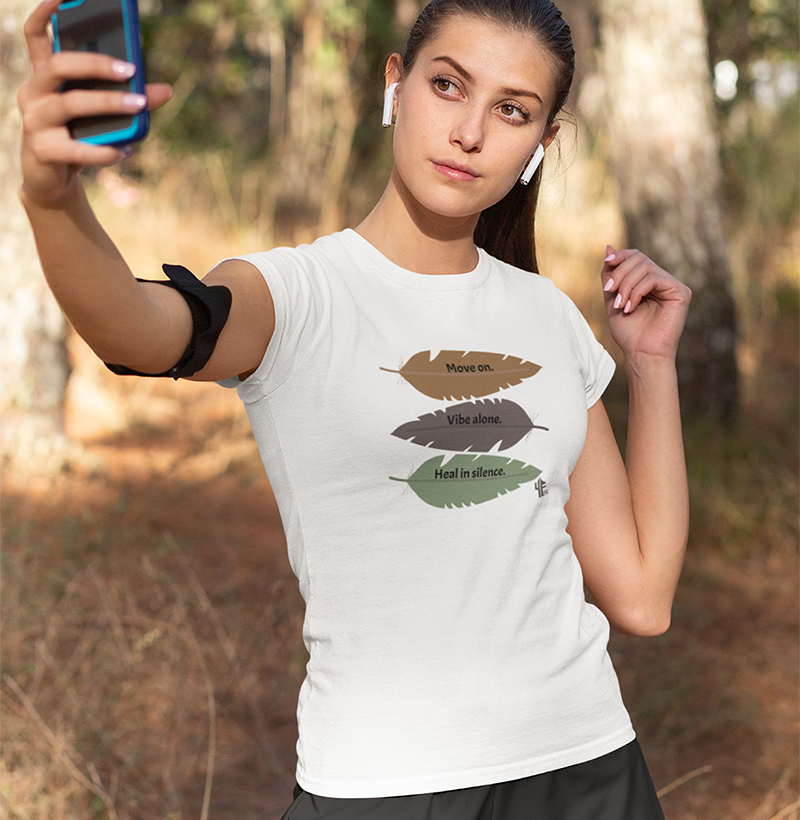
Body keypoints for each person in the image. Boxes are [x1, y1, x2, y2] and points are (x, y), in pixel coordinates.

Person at [18, 0, 692, 816]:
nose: (470, 132)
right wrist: (52, 201)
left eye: (512, 111)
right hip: (382, 786)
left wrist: (651, 365)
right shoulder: (299, 294)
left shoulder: (551, 317)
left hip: (587, 767)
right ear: (396, 84)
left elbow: (643, 597)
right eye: (449, 85)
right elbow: (140, 329)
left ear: (540, 144)